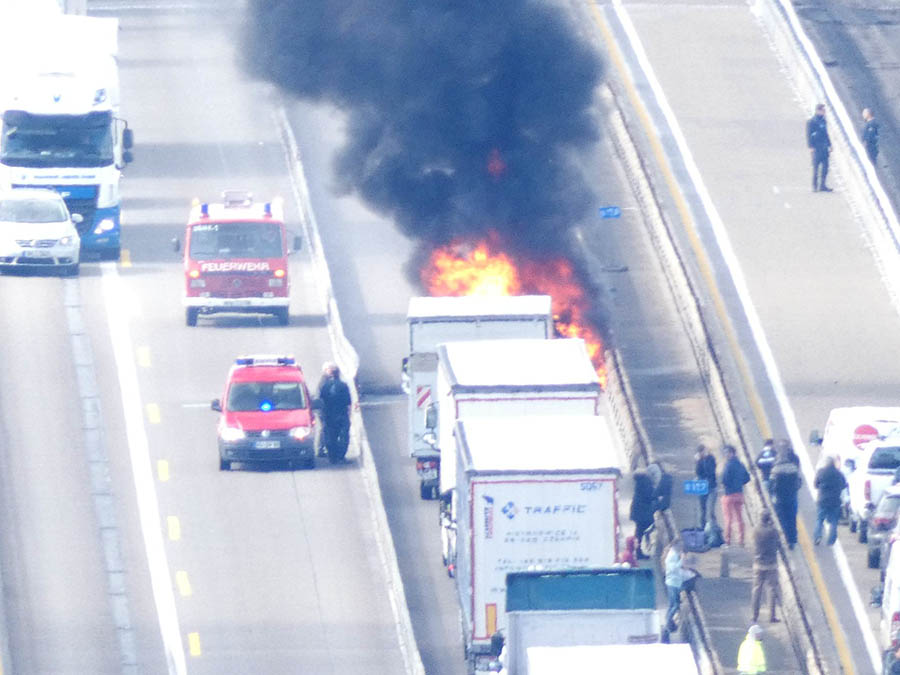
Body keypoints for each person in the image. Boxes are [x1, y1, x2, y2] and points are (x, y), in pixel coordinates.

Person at [316, 362, 352, 462]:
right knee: (343, 436)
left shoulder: (324, 385)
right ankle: (340, 456)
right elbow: (348, 402)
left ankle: (332, 457)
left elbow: (320, 400)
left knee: (331, 436)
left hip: (329, 414)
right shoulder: (343, 385)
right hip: (341, 414)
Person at [770, 441, 802, 549]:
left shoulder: (775, 469)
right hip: (792, 496)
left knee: (782, 518)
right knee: (792, 518)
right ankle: (793, 539)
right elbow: (798, 482)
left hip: (779, 498)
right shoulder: (793, 467)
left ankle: (787, 538)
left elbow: (771, 486)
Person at [751, 511, 780, 624]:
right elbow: (778, 540)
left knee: (756, 589)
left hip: (758, 563)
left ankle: (754, 615)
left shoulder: (756, 530)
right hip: (771, 563)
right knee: (771, 589)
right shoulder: (772, 531)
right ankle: (771, 616)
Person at [721, 445, 751, 546]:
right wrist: (739, 483)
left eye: (727, 453)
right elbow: (747, 478)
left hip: (729, 494)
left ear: (731, 453)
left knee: (728, 519)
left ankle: (727, 541)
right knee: (739, 518)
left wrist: (729, 485)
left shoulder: (728, 465)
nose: (726, 455)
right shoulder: (740, 464)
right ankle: (741, 540)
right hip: (739, 494)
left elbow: (724, 480)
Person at [814, 455, 848, 545]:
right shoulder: (839, 474)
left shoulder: (821, 472)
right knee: (833, 521)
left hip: (822, 500)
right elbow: (844, 485)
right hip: (835, 501)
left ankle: (817, 537)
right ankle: (831, 541)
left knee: (820, 519)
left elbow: (816, 485)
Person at [807, 103, 833, 192]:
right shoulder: (812, 122)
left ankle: (822, 185)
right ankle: (814, 186)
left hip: (824, 147)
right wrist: (810, 147)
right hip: (816, 147)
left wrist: (830, 144)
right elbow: (809, 135)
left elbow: (826, 134)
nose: (824, 112)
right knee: (816, 167)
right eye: (823, 110)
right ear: (818, 111)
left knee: (825, 167)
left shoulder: (823, 121)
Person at [630, 470, 655, 560]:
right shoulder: (646, 482)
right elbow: (650, 495)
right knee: (643, 531)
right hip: (644, 512)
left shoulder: (638, 483)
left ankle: (637, 550)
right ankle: (639, 551)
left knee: (639, 532)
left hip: (637, 512)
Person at [664, 537, 684, 632]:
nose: (681, 547)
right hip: (672, 582)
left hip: (674, 582)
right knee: (675, 605)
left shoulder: (674, 554)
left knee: (672, 604)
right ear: (676, 545)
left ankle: (668, 622)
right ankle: (667, 622)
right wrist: (682, 560)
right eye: (680, 545)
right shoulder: (672, 555)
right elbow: (673, 568)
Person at [696, 444, 717, 529]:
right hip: (702, 486)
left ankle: (713, 529)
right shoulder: (699, 461)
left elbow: (710, 471)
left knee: (711, 511)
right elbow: (698, 472)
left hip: (712, 486)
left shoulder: (711, 459)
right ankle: (703, 528)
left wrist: (705, 460)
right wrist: (698, 462)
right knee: (702, 510)